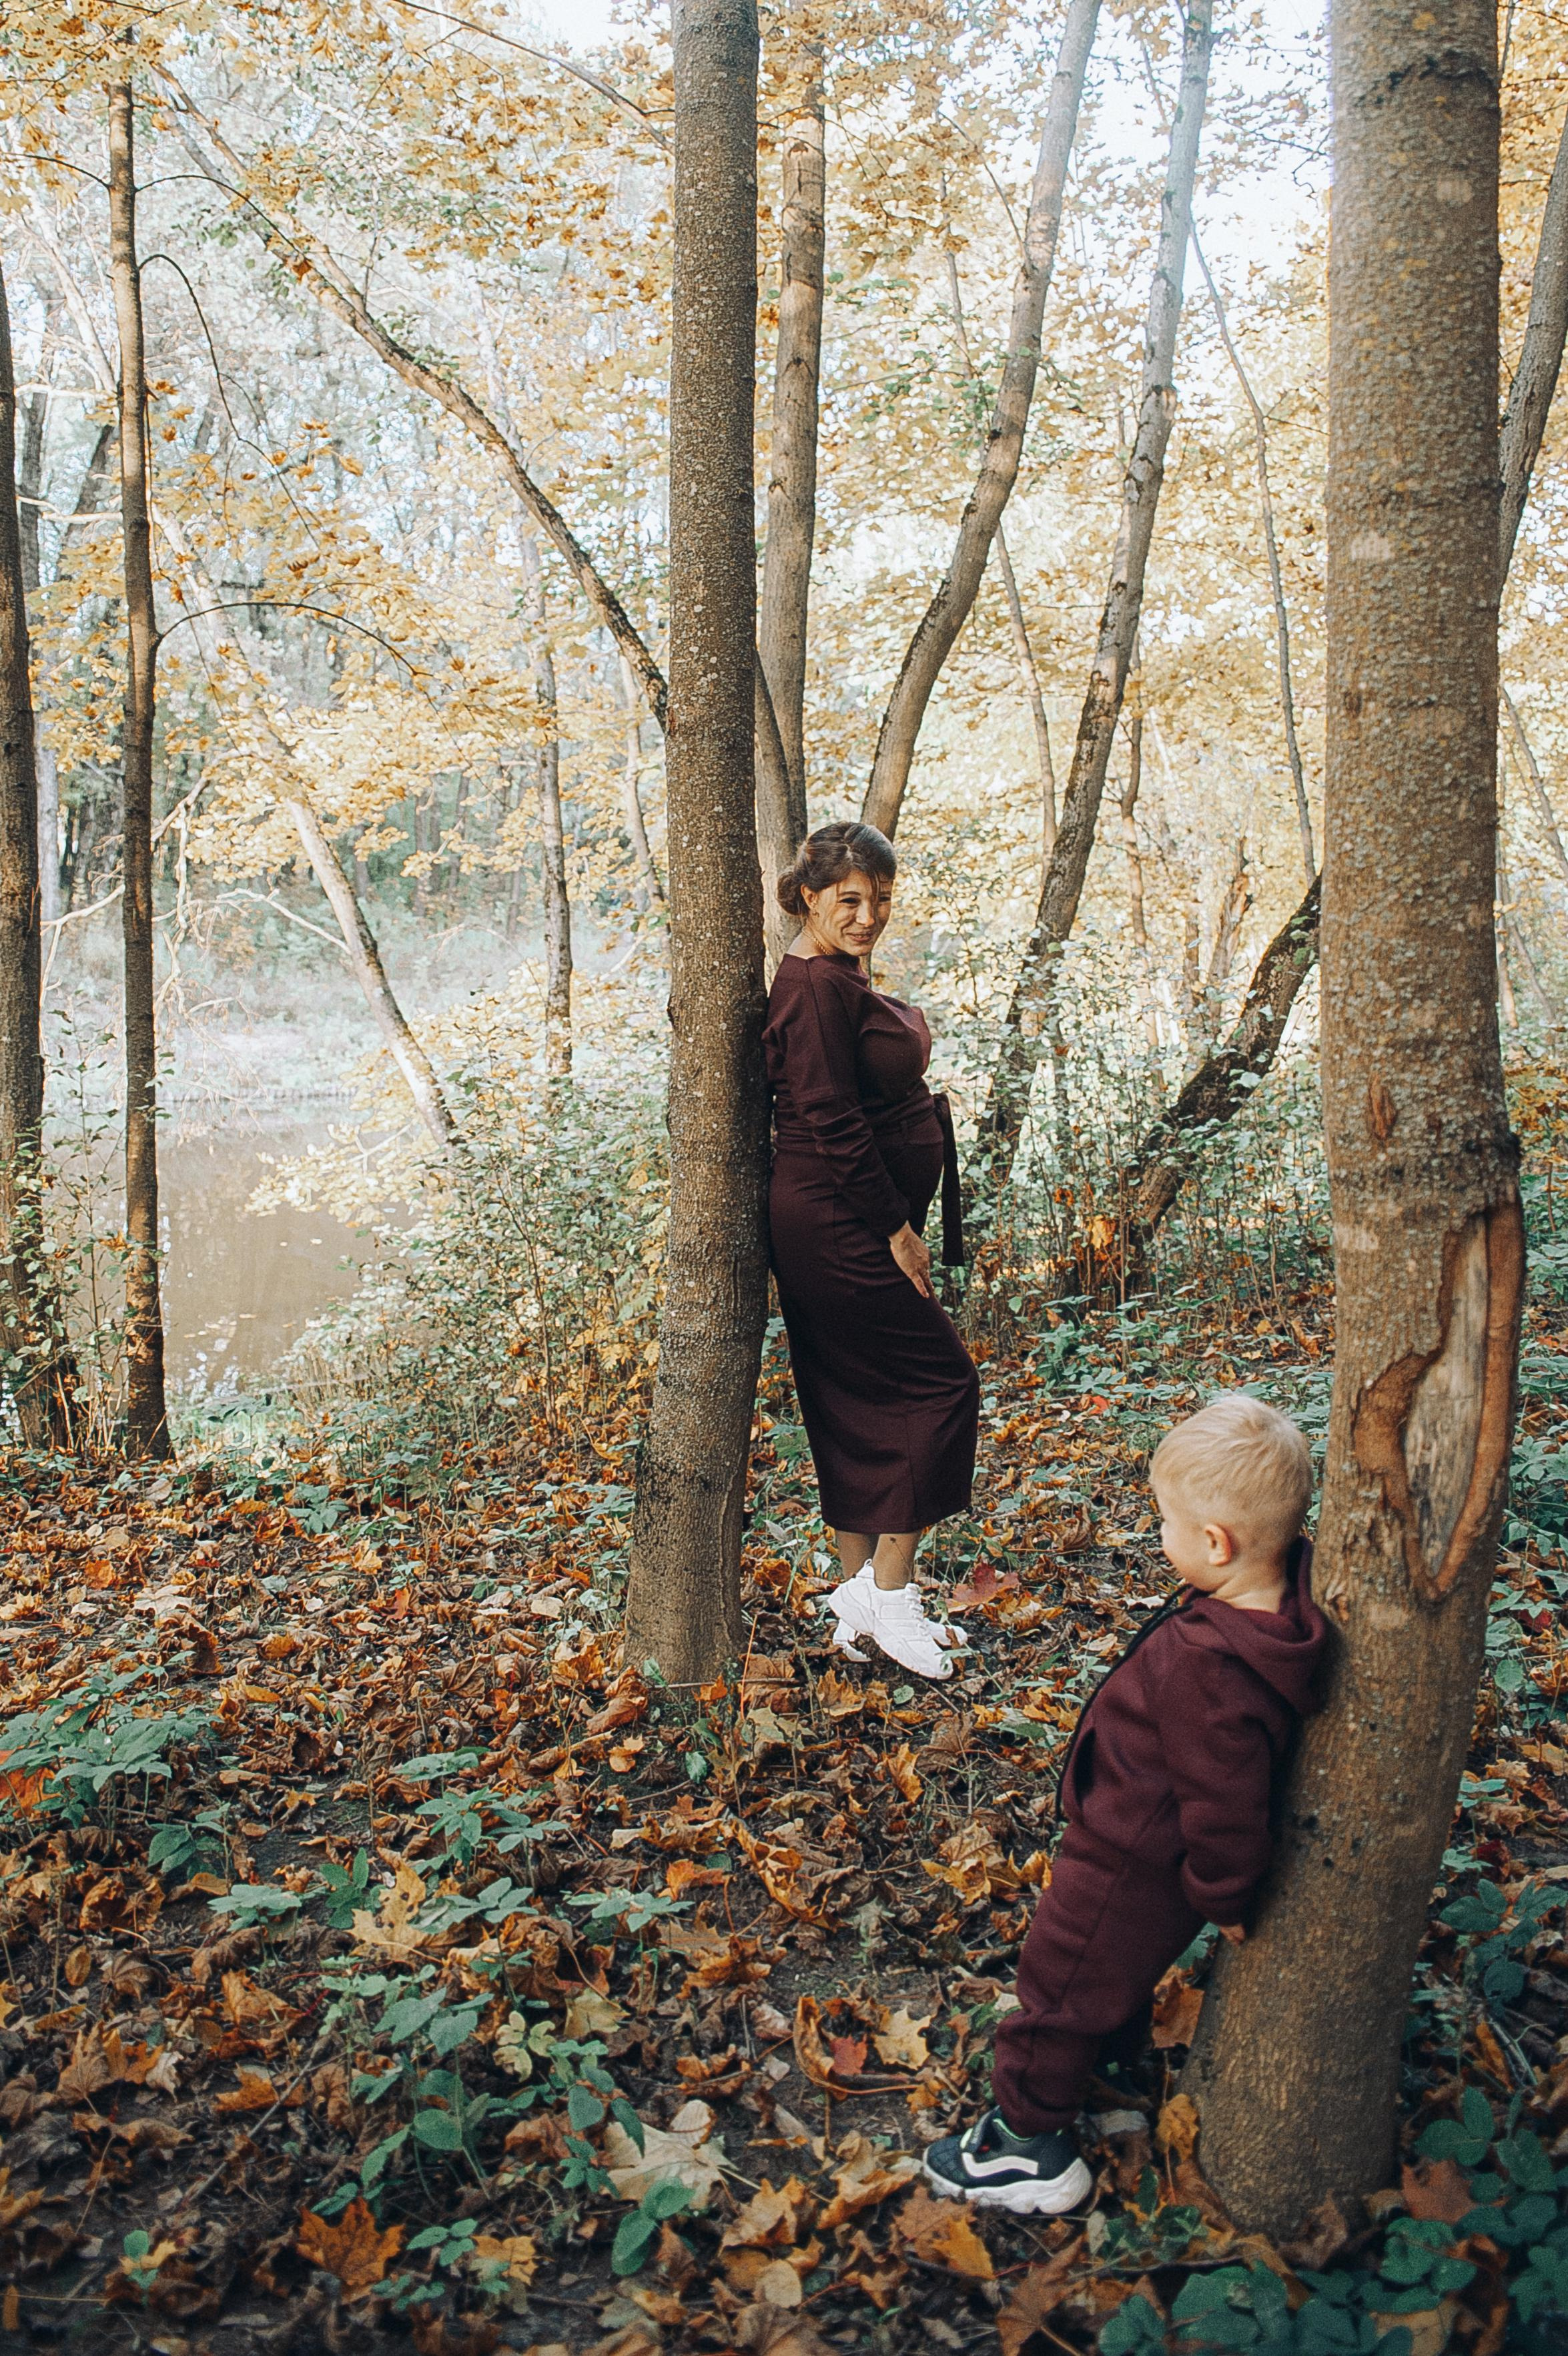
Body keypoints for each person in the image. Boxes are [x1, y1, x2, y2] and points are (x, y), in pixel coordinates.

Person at [924, 1393, 1328, 2213]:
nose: (1158, 1537)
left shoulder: (1206, 1663)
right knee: (1112, 1981)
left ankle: (1026, 2144)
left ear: (1215, 1544)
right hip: (1146, 1853)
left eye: (1165, 1524)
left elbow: (1226, 1801)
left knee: (1058, 1986)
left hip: (1126, 1859)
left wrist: (1227, 1896)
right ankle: (1100, 2081)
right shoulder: (1272, 1618)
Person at [764, 820, 980, 1684]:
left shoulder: (835, 973)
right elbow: (828, 1116)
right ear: (809, 895)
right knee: (942, 1382)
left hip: (835, 1212)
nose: (868, 914)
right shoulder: (811, 984)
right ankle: (889, 1593)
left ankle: (858, 1600)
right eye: (850, 899)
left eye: (881, 898)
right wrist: (896, 1227)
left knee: (853, 1396)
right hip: (836, 1218)